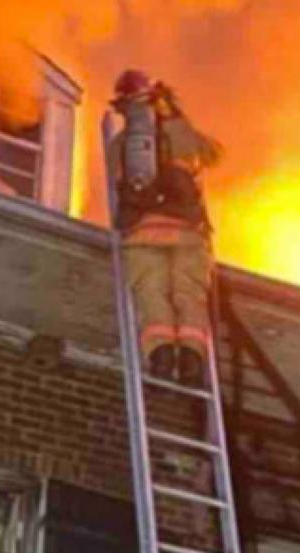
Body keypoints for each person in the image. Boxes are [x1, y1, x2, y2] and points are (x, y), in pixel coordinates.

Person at [107, 69, 222, 386]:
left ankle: (161, 358)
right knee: (189, 294)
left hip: (141, 235)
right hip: (187, 233)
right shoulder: (181, 132)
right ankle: (192, 362)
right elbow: (214, 154)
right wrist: (176, 116)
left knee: (150, 293)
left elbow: (115, 183)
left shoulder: (119, 145)